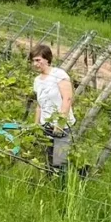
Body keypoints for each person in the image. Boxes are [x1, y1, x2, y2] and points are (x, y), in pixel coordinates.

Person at [30, 44, 74, 173]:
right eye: (33, 61)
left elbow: (67, 99)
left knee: (60, 162)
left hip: (62, 126)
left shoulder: (59, 75)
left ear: (47, 59)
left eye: (38, 60)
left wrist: (60, 124)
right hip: (46, 125)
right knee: (48, 161)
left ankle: (64, 186)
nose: (35, 64)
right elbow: (39, 105)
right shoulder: (37, 80)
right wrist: (36, 125)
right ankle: (51, 185)